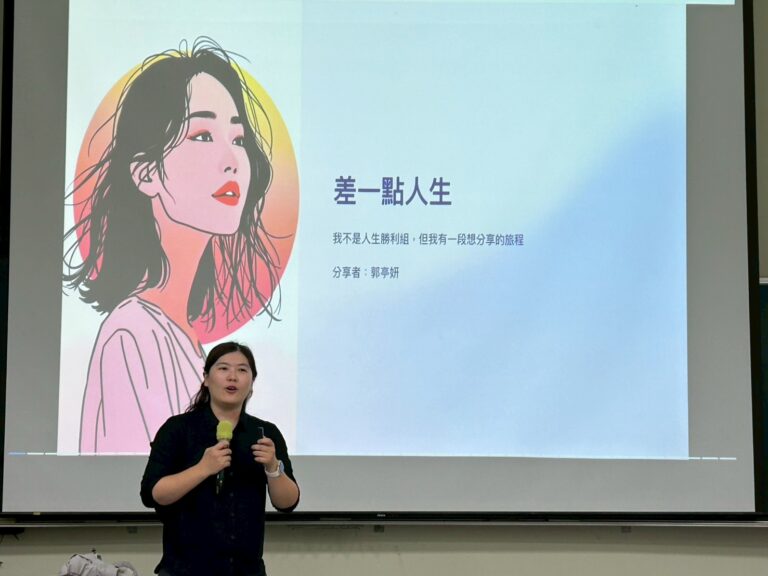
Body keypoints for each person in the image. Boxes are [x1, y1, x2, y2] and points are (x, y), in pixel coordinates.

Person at [63, 38, 282, 453]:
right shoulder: (131, 335)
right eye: (202, 135)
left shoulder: (184, 338)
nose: (232, 160)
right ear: (146, 173)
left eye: (238, 139)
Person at [141, 341, 299, 576]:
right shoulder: (178, 429)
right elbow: (153, 494)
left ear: (252, 383)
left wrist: (273, 467)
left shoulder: (264, 433)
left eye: (242, 370)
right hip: (185, 569)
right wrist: (203, 468)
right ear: (206, 378)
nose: (232, 377)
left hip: (247, 570)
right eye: (223, 368)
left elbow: (287, 503)